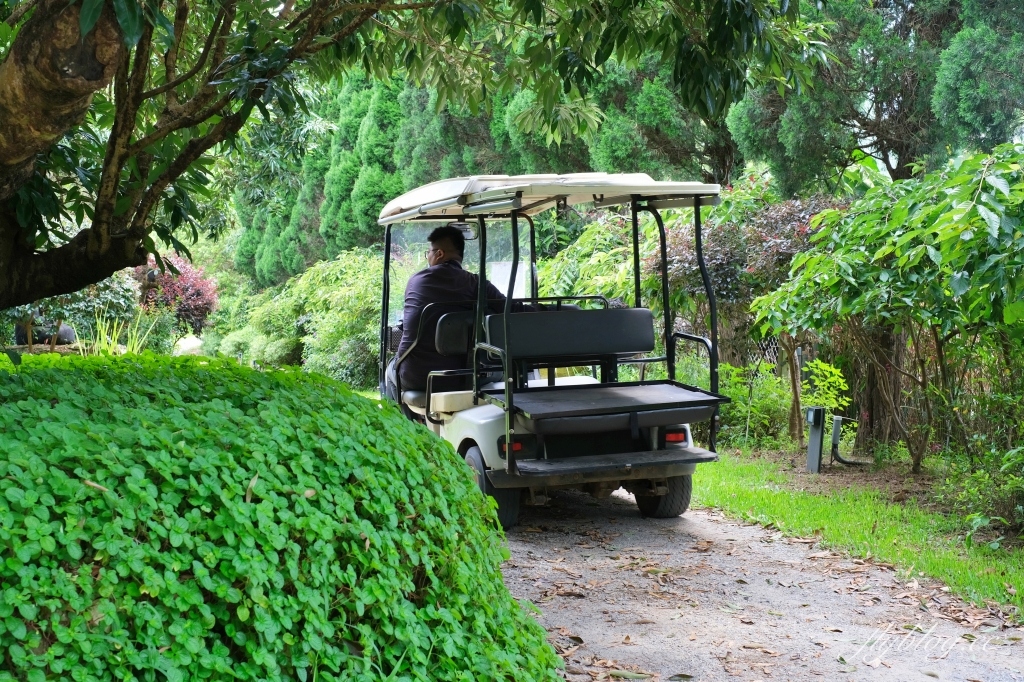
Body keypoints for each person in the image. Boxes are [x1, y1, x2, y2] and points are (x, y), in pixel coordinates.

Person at [393, 224, 527, 395]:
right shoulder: (477, 284)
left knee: (391, 370)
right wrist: (550, 309)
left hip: (416, 376)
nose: (428, 257)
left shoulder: (416, 282)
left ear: (439, 254)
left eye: (429, 253)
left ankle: (402, 411)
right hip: (464, 376)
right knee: (500, 370)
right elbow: (513, 309)